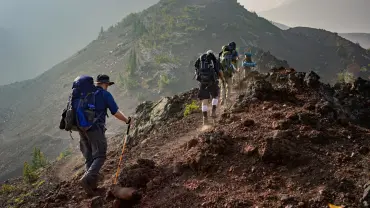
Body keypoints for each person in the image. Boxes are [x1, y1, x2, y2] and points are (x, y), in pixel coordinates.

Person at [79, 74, 133, 195]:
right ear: (105, 84)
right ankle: (86, 179)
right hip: (95, 128)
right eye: (107, 85)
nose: (108, 87)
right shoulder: (104, 94)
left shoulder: (86, 94)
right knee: (100, 156)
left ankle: (92, 187)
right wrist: (127, 120)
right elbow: (115, 112)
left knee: (90, 157)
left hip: (81, 129)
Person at [194, 50, 224, 125]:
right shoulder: (214, 60)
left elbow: (196, 70)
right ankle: (213, 111)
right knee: (215, 96)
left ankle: (205, 119)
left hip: (202, 83)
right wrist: (222, 79)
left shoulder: (200, 60)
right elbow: (219, 71)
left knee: (204, 101)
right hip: (212, 82)